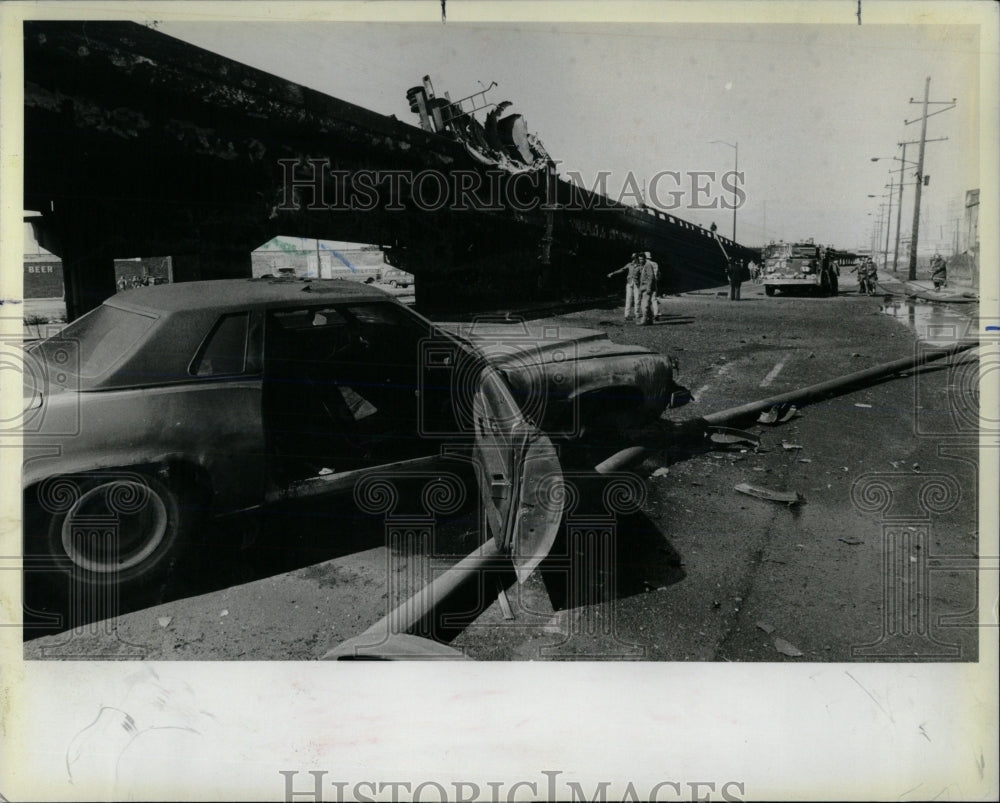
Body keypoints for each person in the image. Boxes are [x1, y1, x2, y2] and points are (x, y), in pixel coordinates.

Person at [607, 252, 642, 320]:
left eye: (635, 258)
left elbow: (643, 275)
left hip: (637, 284)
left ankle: (637, 314)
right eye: (633, 258)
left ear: (637, 258)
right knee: (628, 299)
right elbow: (622, 269)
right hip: (629, 283)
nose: (634, 259)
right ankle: (627, 315)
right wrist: (613, 273)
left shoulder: (640, 266)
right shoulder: (629, 264)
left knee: (637, 299)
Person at [636, 252, 658, 324]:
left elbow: (651, 276)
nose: (641, 260)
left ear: (645, 259)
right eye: (639, 259)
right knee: (646, 304)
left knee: (644, 304)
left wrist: (649, 288)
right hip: (643, 287)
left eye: (642, 259)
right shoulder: (642, 265)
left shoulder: (648, 265)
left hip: (647, 287)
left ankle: (644, 320)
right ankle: (650, 320)